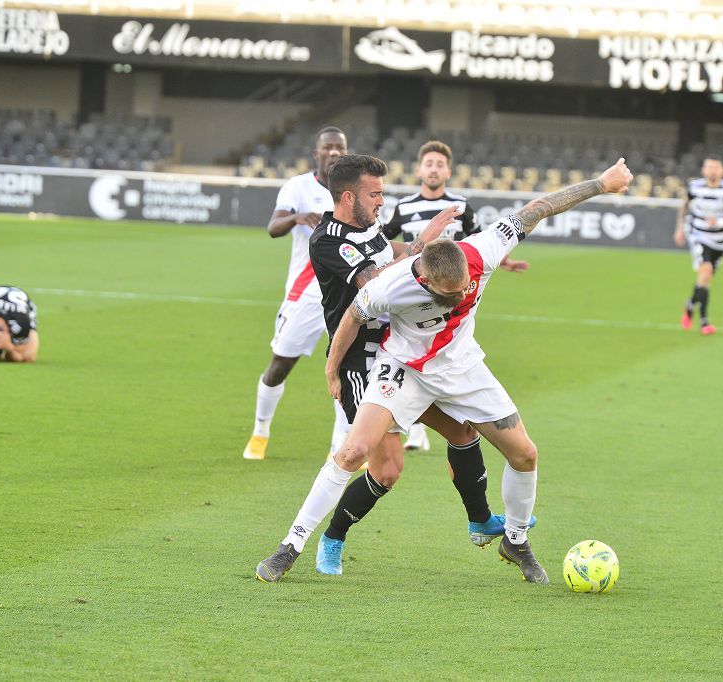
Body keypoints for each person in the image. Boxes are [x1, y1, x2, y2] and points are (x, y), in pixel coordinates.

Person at [256, 158, 634, 584]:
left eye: (462, 293)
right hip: (400, 367)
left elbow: (540, 207)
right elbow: (353, 315)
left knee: (524, 452)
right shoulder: (390, 285)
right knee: (359, 455)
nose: (455, 302)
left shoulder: (484, 250)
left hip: (461, 364)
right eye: (445, 296)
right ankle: (293, 545)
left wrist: (602, 183)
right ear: (424, 282)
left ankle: (514, 539)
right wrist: (331, 368)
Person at [383, 139, 529, 451]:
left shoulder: (461, 206)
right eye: (429, 163)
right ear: (420, 169)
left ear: (448, 170)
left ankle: (433, 415)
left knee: (446, 351)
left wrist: (504, 261)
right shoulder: (405, 206)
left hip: (451, 295)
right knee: (411, 350)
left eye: (439, 164)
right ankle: (417, 430)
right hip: (414, 293)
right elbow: (384, 241)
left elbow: (481, 241)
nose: (433, 169)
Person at [243, 126, 351, 461]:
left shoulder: (354, 190)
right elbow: (273, 228)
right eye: (328, 147)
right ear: (316, 152)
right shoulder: (299, 187)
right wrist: (297, 217)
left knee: (348, 368)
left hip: (345, 295)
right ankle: (260, 431)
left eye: (340, 148)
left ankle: (342, 448)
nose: (334, 153)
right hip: (306, 293)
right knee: (280, 364)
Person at [673, 155, 723, 335]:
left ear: (722, 170)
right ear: (704, 170)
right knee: (705, 272)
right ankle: (704, 321)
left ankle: (690, 304)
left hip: (720, 241)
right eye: (709, 167)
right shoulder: (694, 187)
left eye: (716, 167)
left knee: (704, 280)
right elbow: (684, 206)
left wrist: (719, 222)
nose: (712, 171)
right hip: (698, 235)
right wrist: (680, 228)